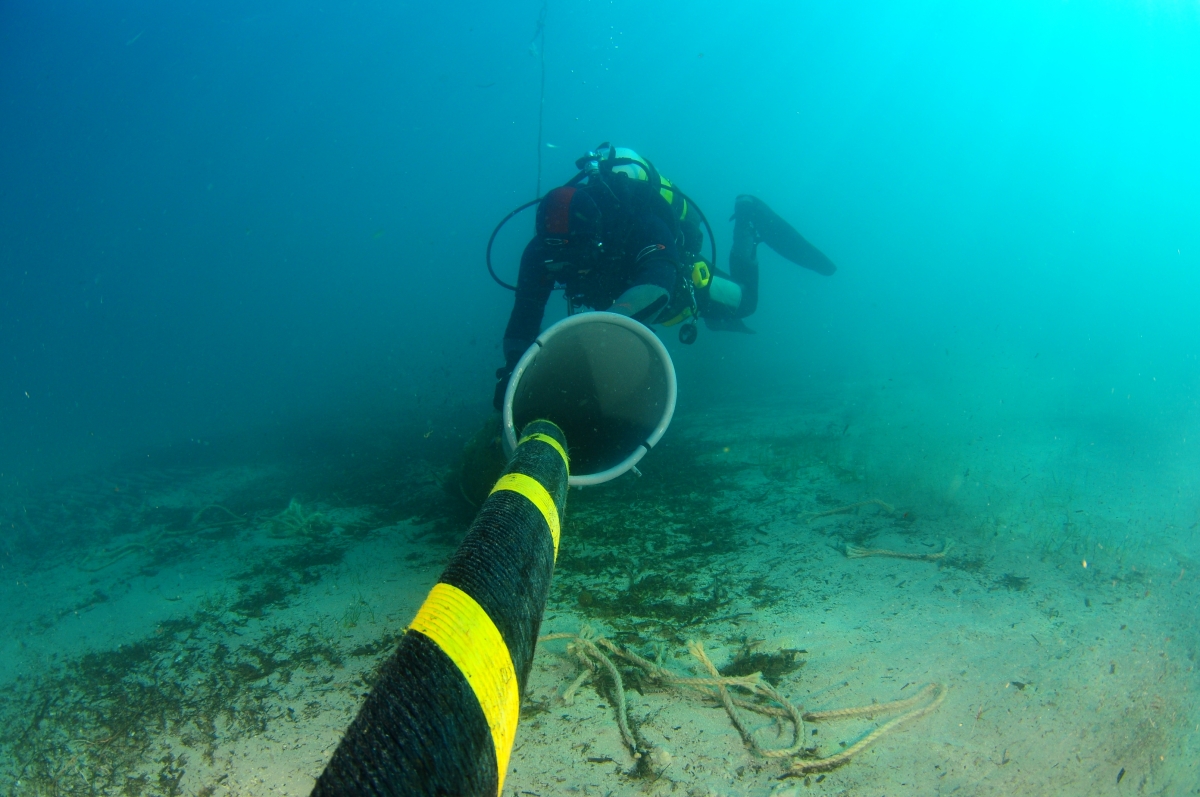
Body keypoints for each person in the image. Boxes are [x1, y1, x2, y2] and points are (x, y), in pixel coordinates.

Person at [493, 144, 836, 409]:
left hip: (677, 280)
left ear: (597, 236)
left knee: (745, 302)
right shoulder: (541, 252)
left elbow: (659, 283)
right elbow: (524, 313)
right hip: (622, 304)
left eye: (576, 257)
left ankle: (747, 220)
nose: (567, 269)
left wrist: (595, 335)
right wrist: (515, 371)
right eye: (558, 262)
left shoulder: (638, 223)